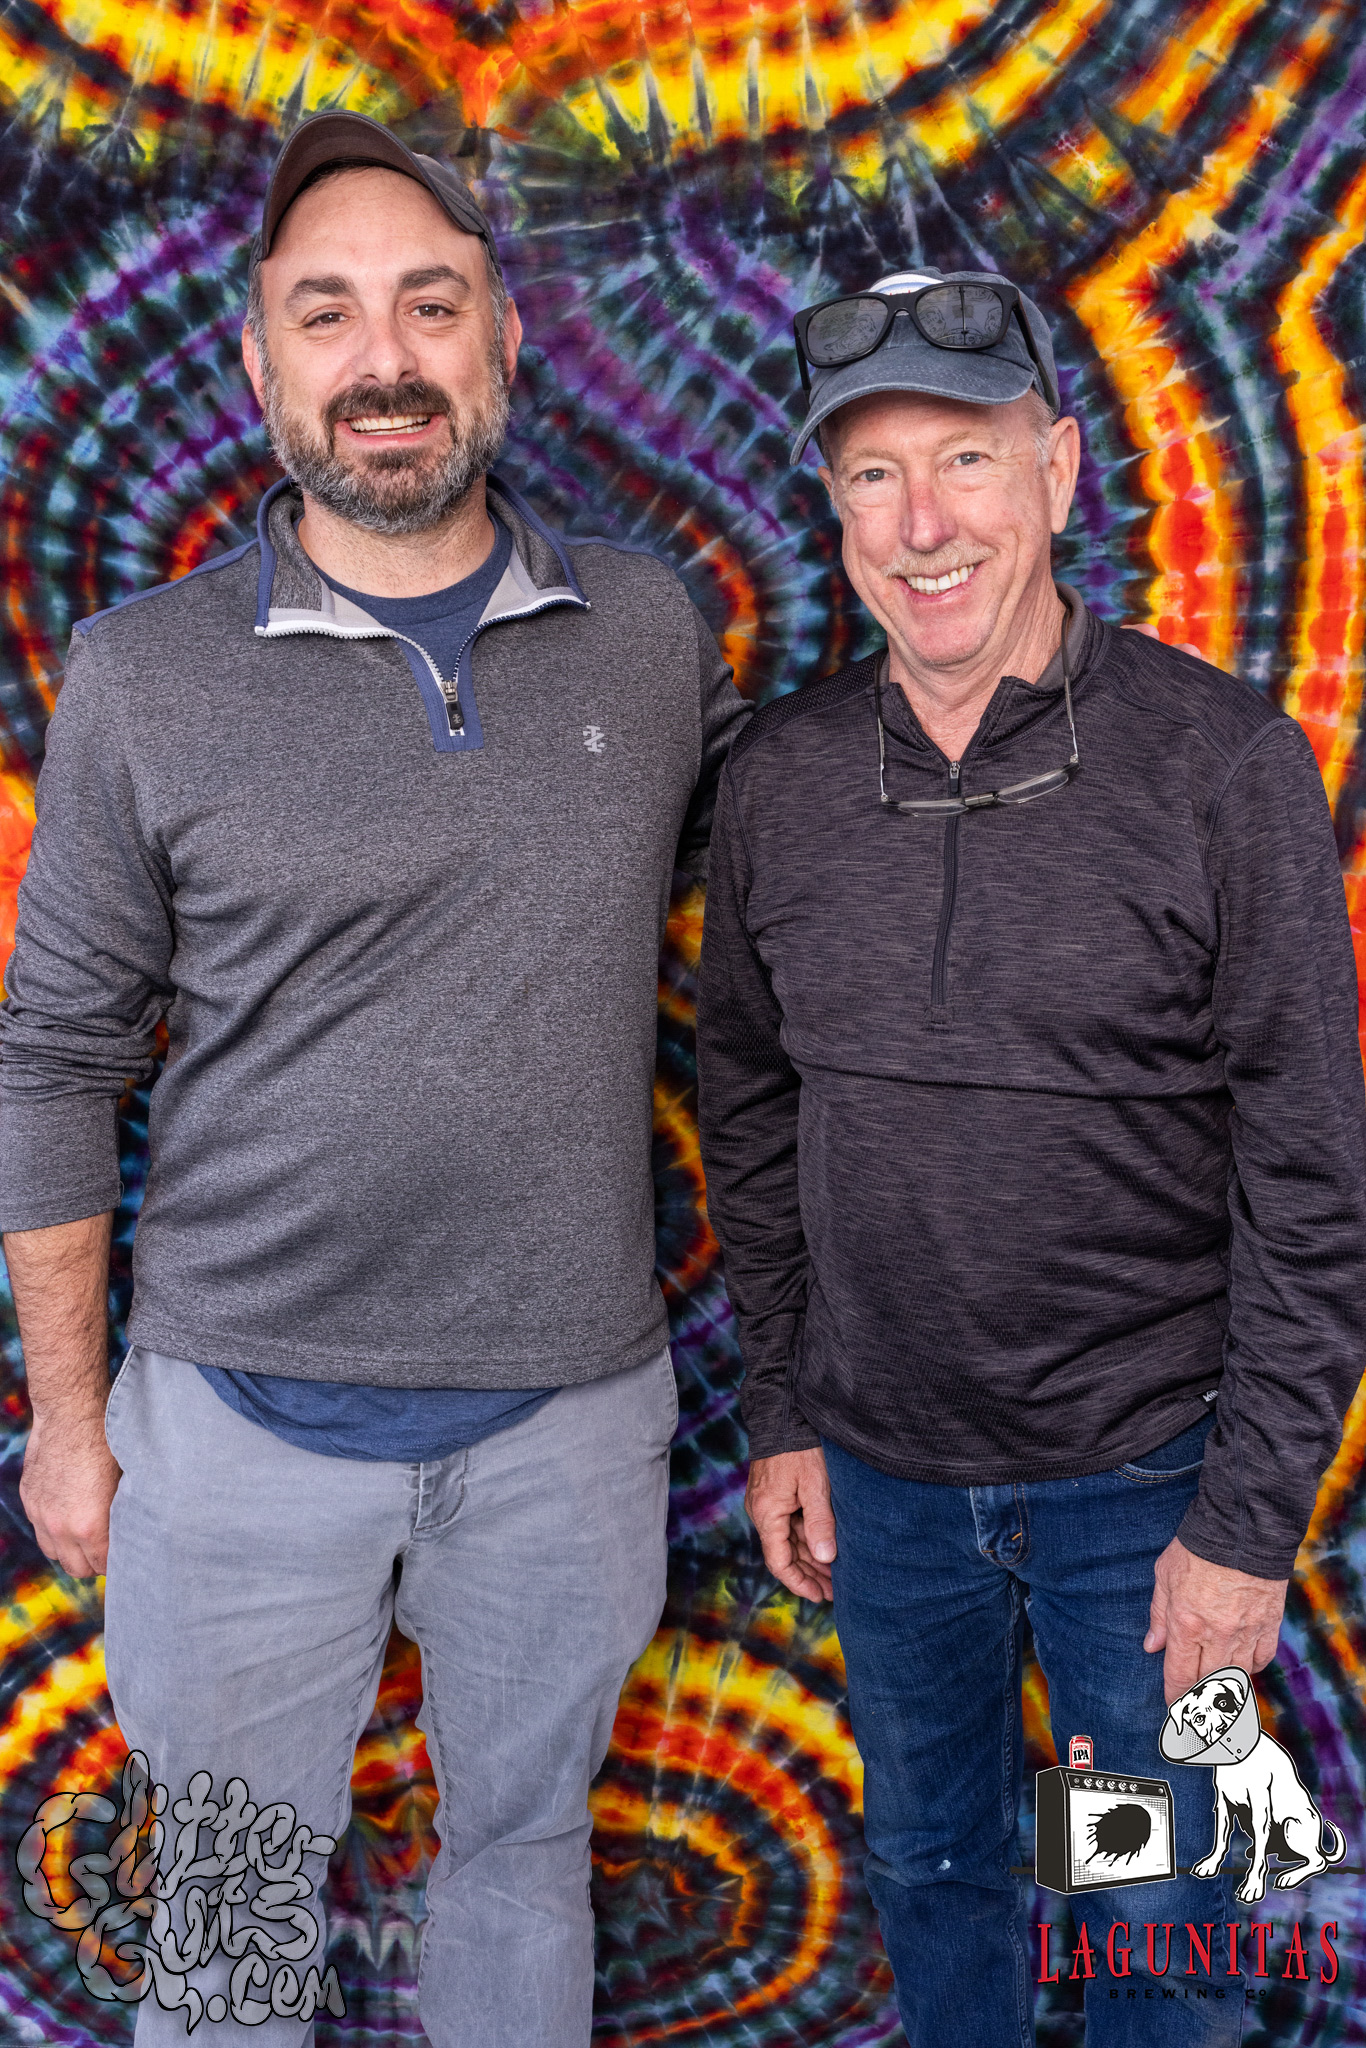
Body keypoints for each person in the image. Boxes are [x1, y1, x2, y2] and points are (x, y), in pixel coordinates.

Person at [1, 112, 747, 2047]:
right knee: (231, 1915)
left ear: (503, 339)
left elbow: (768, 938)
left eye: (429, 303)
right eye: (325, 313)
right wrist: (69, 1422)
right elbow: (58, 1058)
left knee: (524, 1863)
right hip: (234, 1430)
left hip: (566, 1424)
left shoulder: (647, 635)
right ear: (259, 361)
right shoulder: (143, 675)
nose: (383, 357)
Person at [695, 267, 1366, 2044]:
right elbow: (746, 1107)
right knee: (933, 1873)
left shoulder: (1218, 765)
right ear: (832, 505)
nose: (922, 525)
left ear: (1058, 472)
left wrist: (1242, 1523)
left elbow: (1312, 1175)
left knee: (1147, 1903)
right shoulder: (780, 780)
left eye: (967, 460)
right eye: (872, 475)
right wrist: (783, 1406)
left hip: (1141, 1497)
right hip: (885, 1492)